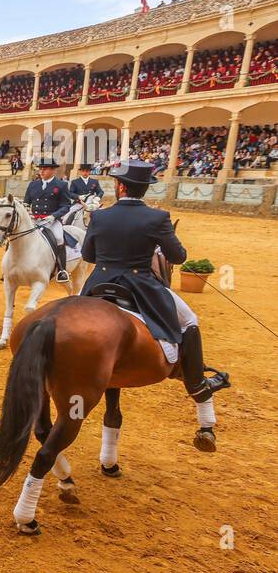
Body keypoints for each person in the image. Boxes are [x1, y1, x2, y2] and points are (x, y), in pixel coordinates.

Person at [80, 161, 229, 450]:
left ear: (121, 187)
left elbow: (88, 255)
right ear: (142, 189)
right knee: (190, 321)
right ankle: (198, 385)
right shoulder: (158, 218)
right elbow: (178, 256)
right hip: (140, 285)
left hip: (99, 282)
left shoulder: (99, 216)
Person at [24, 161, 75, 283]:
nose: (41, 171)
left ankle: (61, 270)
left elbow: (66, 205)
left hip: (51, 220)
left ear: (53, 170)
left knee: (58, 238)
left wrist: (53, 216)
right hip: (34, 219)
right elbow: (27, 202)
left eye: (45, 169)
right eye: (40, 168)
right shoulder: (33, 184)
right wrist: (26, 208)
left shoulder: (61, 185)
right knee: (18, 235)